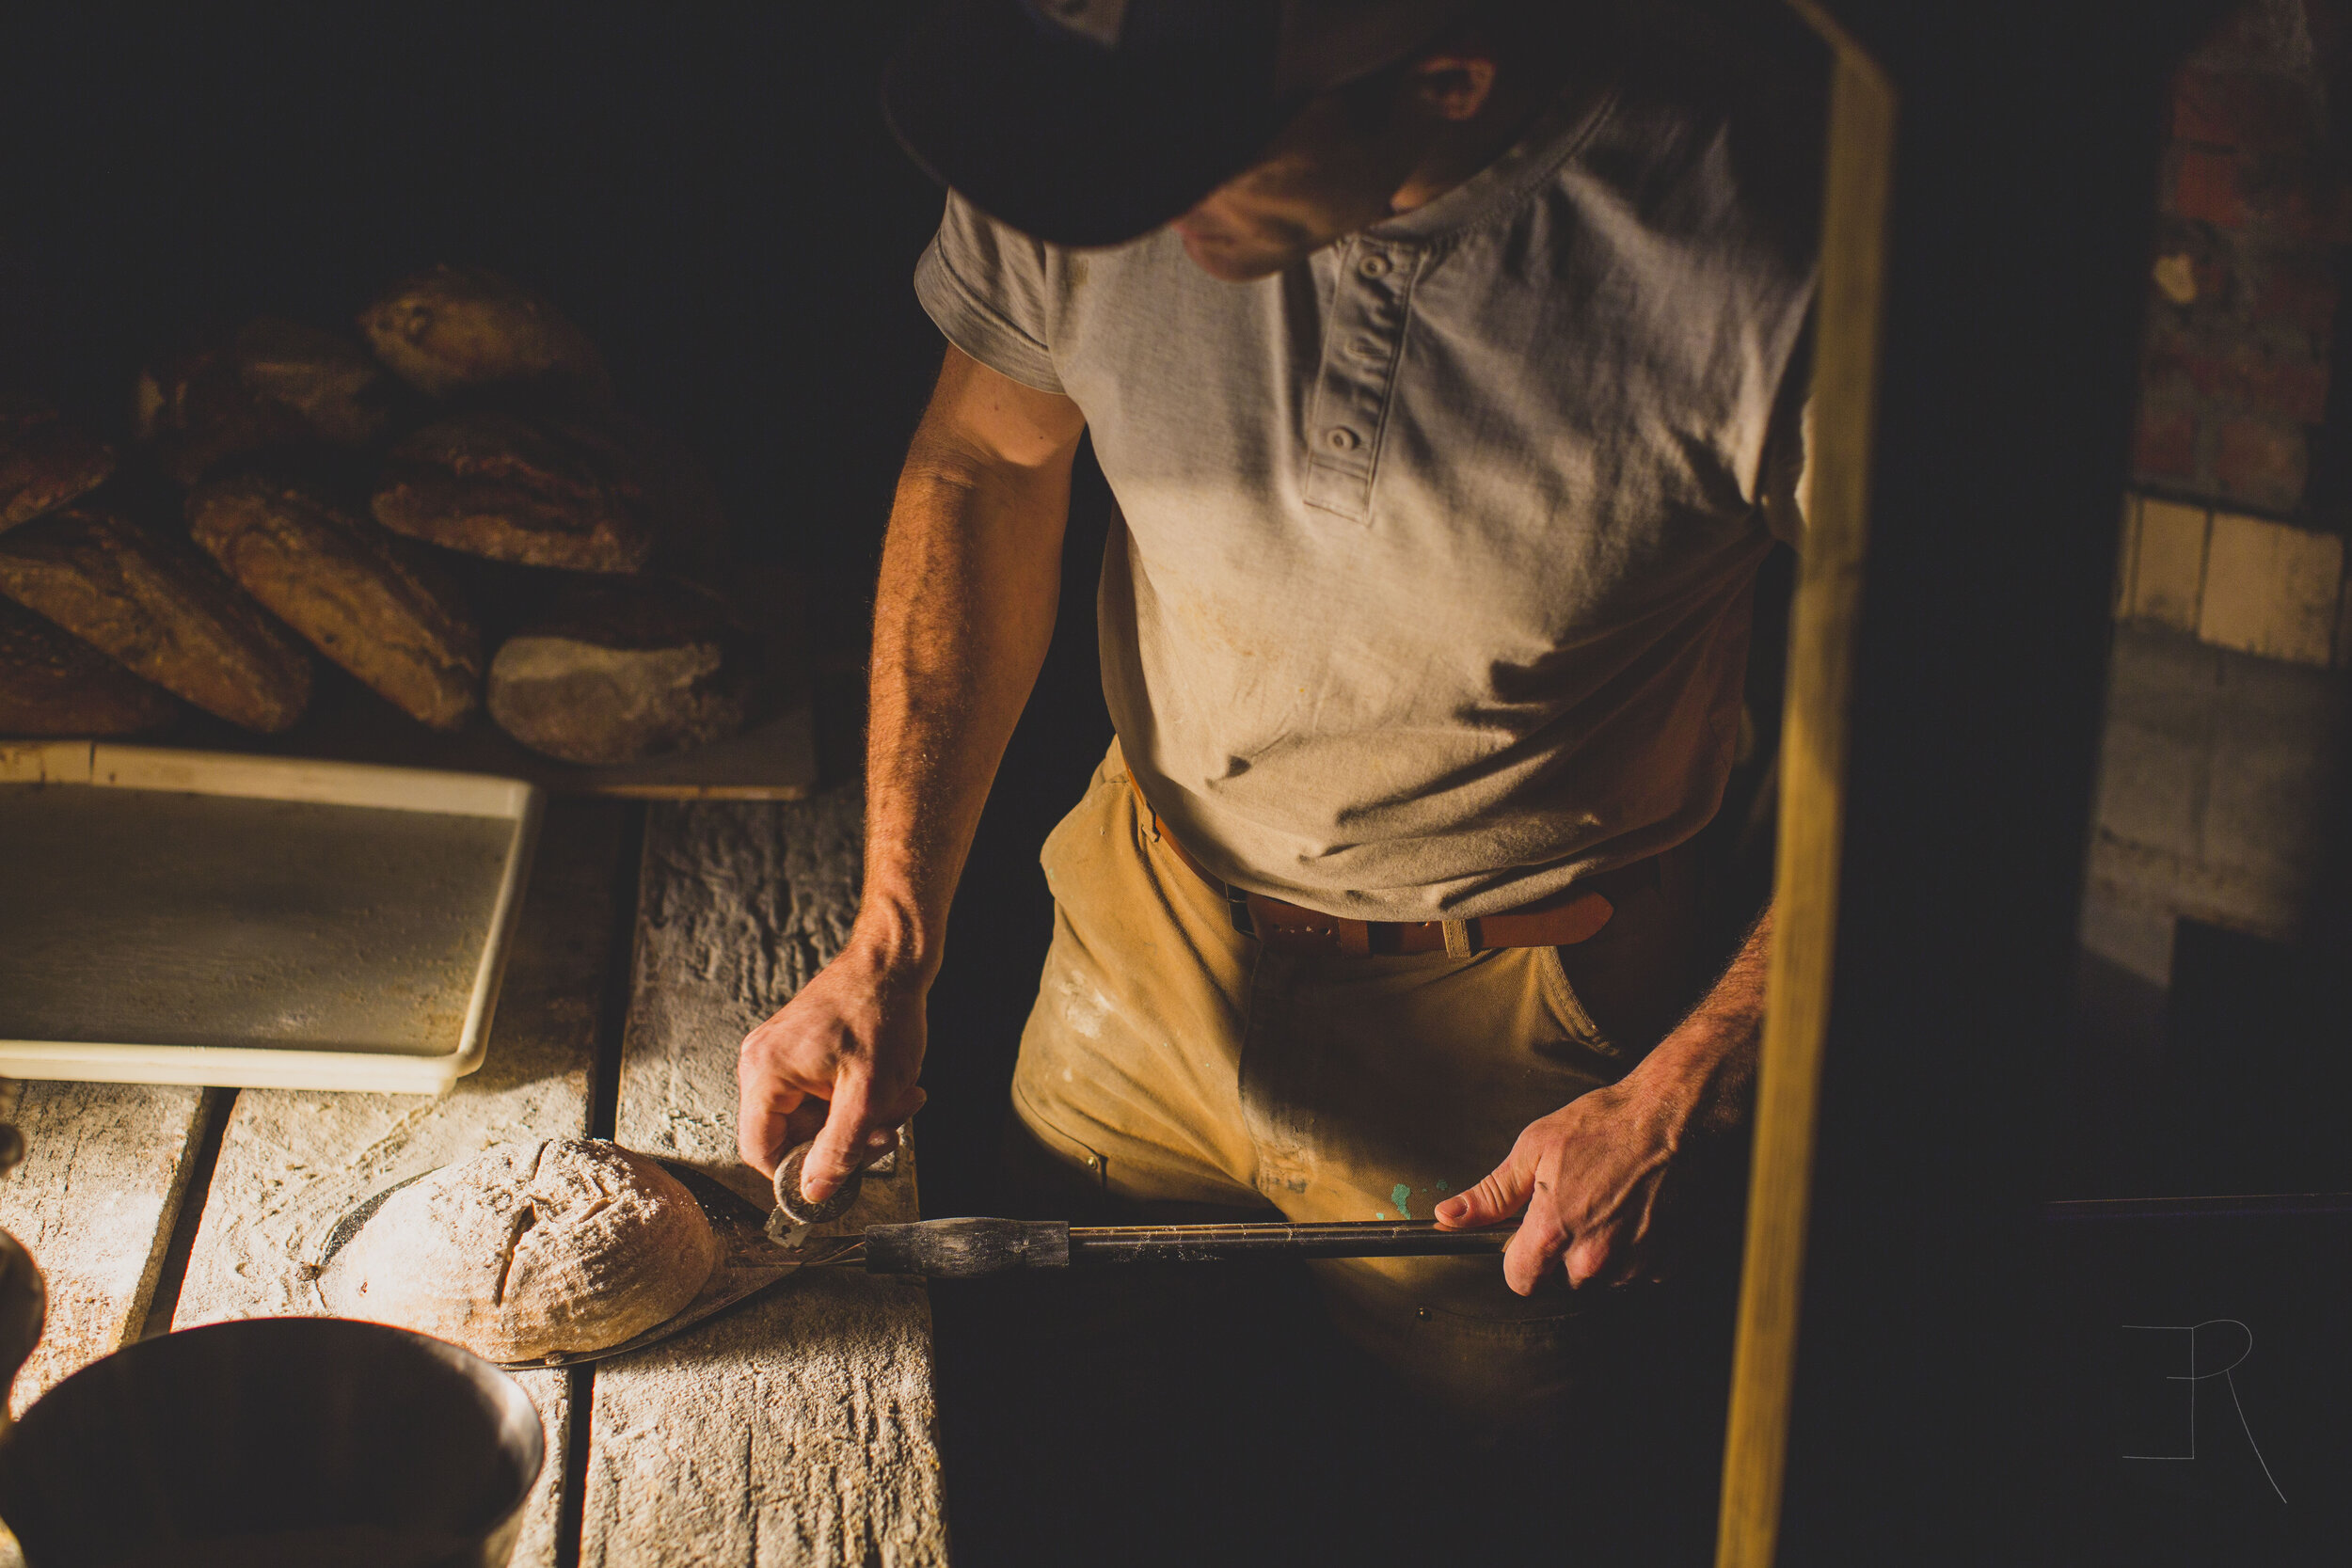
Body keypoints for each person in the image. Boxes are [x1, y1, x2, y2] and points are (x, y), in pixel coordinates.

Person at [737, 0, 1821, 1426]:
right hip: (1146, 924)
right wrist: (889, 935)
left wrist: (1695, 1076)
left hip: (1532, 1014)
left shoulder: (1768, 256)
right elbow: (987, 462)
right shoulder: (1093, 139)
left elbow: (1957, 737)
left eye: (1190, 161)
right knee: (1068, 1424)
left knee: (1486, 1484)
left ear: (1446, 82)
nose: (1116, 216)